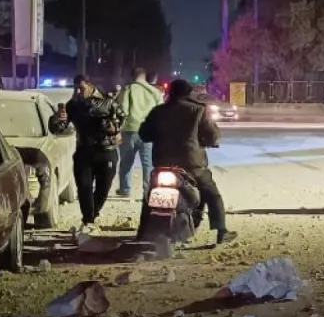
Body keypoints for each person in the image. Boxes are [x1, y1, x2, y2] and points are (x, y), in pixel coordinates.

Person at [139, 79, 236, 245]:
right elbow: (212, 135)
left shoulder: (158, 111)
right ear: (189, 93)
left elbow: (144, 134)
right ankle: (221, 230)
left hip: (162, 162)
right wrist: (207, 141)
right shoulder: (198, 110)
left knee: (150, 195)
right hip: (191, 164)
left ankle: (142, 232)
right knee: (211, 193)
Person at [67, 75, 126, 231]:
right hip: (84, 152)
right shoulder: (73, 105)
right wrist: (57, 120)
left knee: (103, 189)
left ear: (90, 86)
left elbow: (121, 117)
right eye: (75, 88)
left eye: (81, 88)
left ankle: (92, 216)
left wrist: (115, 128)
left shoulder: (108, 101)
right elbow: (60, 126)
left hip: (106, 151)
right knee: (84, 187)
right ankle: (88, 220)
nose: (78, 92)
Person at [113, 67, 164, 198]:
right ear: (144, 76)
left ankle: (125, 189)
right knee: (148, 164)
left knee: (126, 162)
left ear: (132, 76)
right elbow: (161, 111)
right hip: (148, 132)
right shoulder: (154, 91)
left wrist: (118, 129)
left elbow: (123, 110)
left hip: (130, 130)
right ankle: (148, 190)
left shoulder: (127, 90)